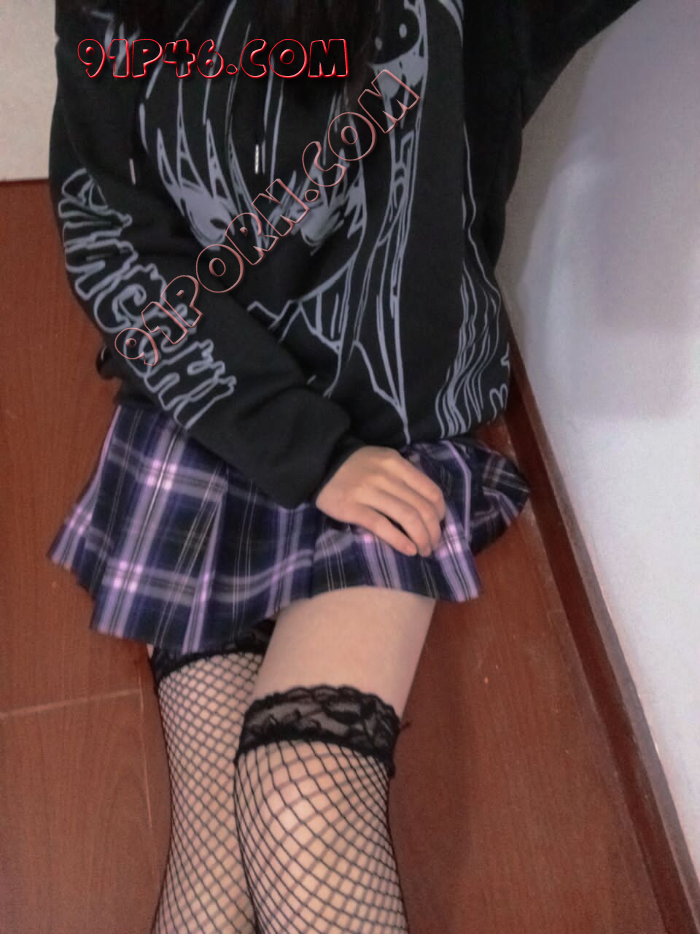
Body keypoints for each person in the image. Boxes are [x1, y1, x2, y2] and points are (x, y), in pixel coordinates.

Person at [47, 0, 641, 930]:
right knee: (218, 862)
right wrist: (300, 447)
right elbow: (108, 229)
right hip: (209, 396)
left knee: (301, 800)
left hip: (395, 413)